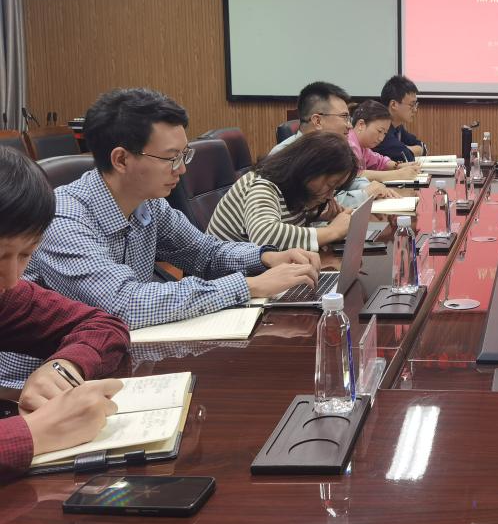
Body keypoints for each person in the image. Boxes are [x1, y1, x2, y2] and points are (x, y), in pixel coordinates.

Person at [0, 88, 319, 387]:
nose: (181, 170)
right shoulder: (64, 219)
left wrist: (265, 257)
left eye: (184, 156)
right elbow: (123, 305)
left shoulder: (149, 204)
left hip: (119, 359)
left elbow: (204, 253)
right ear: (121, 159)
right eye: (171, 158)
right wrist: (248, 286)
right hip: (37, 384)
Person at [0, 148, 129, 481]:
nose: (12, 279)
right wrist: (33, 432)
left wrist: (64, 366)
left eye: (25, 255)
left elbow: (102, 324)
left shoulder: (6, 295)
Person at [207, 132, 358, 251]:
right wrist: (332, 231)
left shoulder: (295, 188)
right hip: (227, 277)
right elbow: (264, 237)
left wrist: (314, 216)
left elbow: (283, 223)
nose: (330, 195)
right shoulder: (262, 184)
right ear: (309, 168)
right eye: (330, 185)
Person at [270, 81, 395, 202]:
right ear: (318, 121)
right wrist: (365, 194)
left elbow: (349, 179)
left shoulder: (329, 150)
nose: (350, 125)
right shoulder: (285, 156)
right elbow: (317, 204)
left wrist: (370, 187)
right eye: (344, 117)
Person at [348, 100, 421, 182]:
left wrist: (400, 166)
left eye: (385, 133)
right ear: (361, 125)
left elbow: (380, 162)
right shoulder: (348, 145)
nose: (381, 138)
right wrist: (398, 174)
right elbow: (353, 174)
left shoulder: (363, 147)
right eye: (379, 131)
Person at [377, 75, 426, 162]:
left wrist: (405, 148)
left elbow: (423, 147)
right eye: (412, 105)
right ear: (393, 105)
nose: (415, 110)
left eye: (416, 104)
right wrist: (405, 148)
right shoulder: (381, 130)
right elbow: (407, 156)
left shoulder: (398, 127)